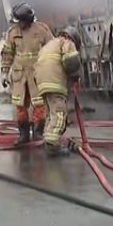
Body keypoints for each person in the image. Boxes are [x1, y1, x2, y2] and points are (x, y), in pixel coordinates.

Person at [0, 3, 53, 144]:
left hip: (37, 76)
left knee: (39, 106)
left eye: (21, 22)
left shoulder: (42, 30)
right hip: (20, 77)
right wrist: (4, 72)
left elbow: (52, 50)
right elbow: (7, 53)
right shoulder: (13, 33)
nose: (19, 25)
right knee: (20, 106)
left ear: (27, 20)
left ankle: (38, 134)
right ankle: (23, 135)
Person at [34, 26, 82, 156]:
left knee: (51, 114)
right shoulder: (67, 43)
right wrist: (75, 76)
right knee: (59, 113)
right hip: (55, 83)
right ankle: (53, 145)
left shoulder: (49, 45)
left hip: (42, 83)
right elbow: (71, 62)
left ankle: (48, 139)